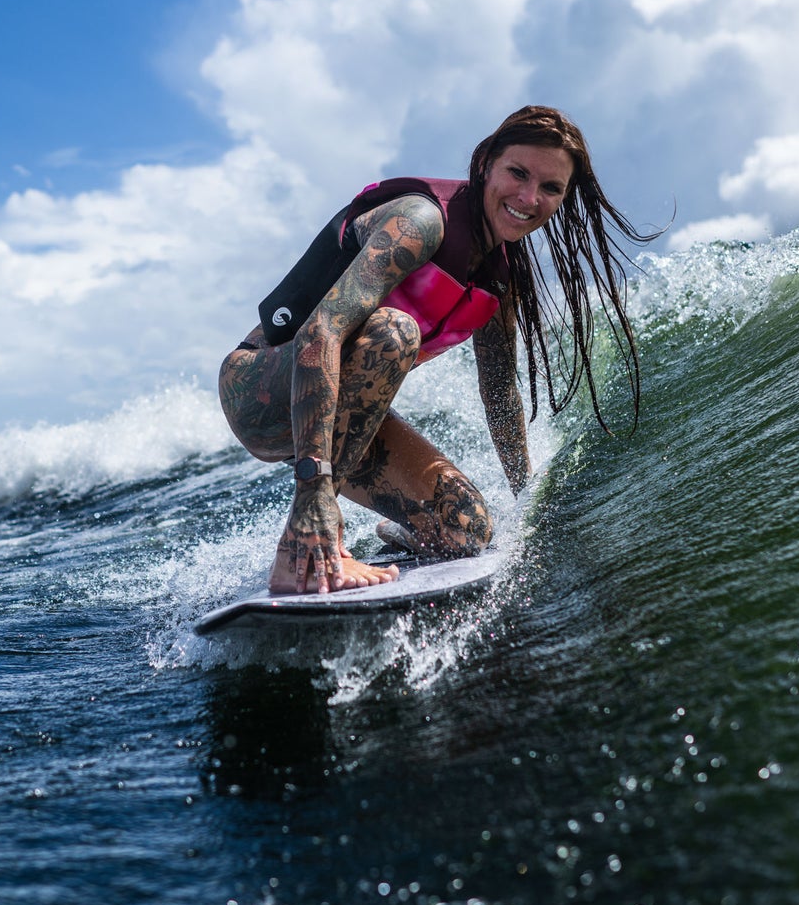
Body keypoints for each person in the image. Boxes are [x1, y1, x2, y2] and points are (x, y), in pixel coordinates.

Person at [218, 105, 650, 595]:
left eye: (551, 188)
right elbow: (321, 334)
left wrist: (526, 499)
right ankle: (304, 544)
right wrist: (315, 492)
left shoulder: (500, 277)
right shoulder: (421, 221)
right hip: (262, 389)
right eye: (518, 173)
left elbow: (500, 389)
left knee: (465, 528)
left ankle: (397, 535)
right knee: (394, 332)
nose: (530, 197)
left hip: (340, 417)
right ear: (486, 162)